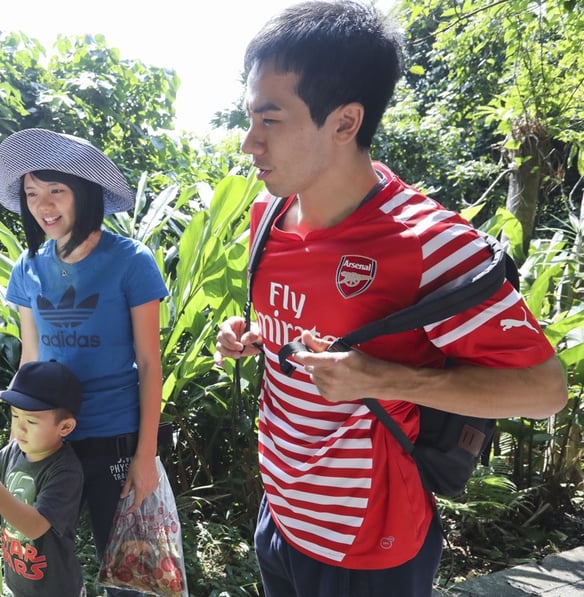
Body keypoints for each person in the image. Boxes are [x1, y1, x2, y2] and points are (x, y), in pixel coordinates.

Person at [213, 2, 568, 596]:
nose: (249, 142)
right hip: (279, 514)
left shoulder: (430, 246)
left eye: (269, 120)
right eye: (249, 117)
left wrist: (387, 379)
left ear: (346, 122)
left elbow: (545, 390)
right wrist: (254, 334)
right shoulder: (268, 216)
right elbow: (305, 325)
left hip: (369, 543)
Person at [0, 128, 169, 596]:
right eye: (32, 194)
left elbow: (150, 363)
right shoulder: (26, 268)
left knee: (128, 576)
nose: (43, 206)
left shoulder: (132, 261)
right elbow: (30, 359)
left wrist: (145, 455)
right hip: (50, 447)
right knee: (42, 564)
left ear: (84, 192)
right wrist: (19, 437)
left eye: (56, 191)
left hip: (116, 440)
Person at [0, 360, 86, 597]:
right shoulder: (14, 451)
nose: (20, 428)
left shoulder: (65, 470)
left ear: (65, 427)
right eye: (15, 416)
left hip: (56, 590)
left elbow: (35, 526)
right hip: (19, 582)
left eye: (31, 421)